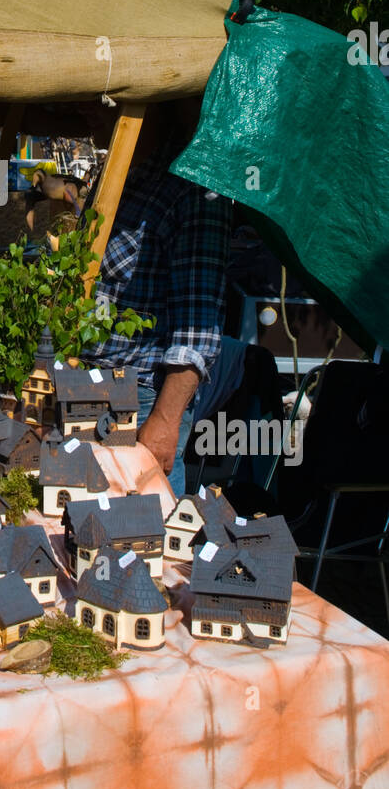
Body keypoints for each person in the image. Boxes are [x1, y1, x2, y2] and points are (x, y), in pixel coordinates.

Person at [84, 99, 233, 497]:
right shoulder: (120, 170)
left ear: (148, 109)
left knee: (139, 529)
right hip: (90, 386)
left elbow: (198, 328)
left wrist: (165, 422)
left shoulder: (194, 192)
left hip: (141, 397)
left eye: (111, 103)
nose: (94, 111)